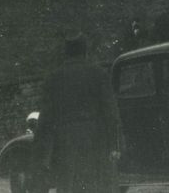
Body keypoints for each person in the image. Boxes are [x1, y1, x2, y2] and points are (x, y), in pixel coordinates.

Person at [33, 33, 121, 193]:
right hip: (95, 141)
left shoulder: (53, 78)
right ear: (85, 52)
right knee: (95, 185)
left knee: (68, 186)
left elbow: (45, 119)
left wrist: (42, 154)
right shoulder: (98, 74)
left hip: (65, 144)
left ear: (66, 53)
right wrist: (114, 144)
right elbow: (110, 111)